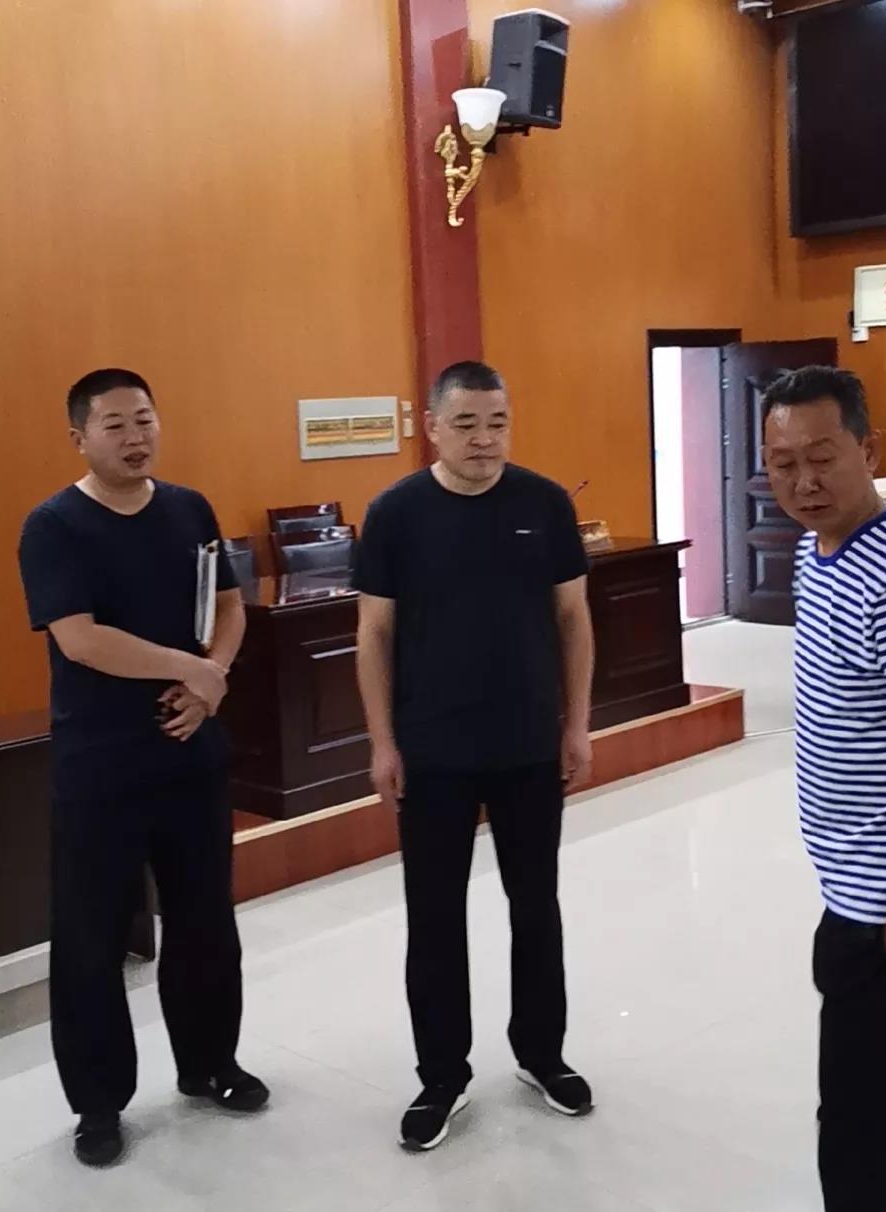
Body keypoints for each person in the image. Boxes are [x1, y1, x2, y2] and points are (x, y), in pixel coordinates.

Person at [18, 369, 268, 1168]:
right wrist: (188, 668)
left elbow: (226, 607)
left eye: (145, 419)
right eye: (115, 425)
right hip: (101, 767)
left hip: (191, 755)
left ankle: (210, 1064)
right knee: (90, 939)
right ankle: (99, 1103)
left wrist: (211, 678)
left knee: (204, 922)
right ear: (80, 438)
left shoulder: (189, 509)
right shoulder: (54, 526)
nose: (135, 437)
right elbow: (81, 638)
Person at [354, 361, 596, 1152]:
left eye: (497, 423)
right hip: (431, 753)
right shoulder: (395, 514)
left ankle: (542, 1055)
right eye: (465, 424)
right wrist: (383, 742)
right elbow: (374, 634)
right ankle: (440, 1075)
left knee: (537, 907)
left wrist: (577, 725)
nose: (484, 439)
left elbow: (573, 620)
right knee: (434, 917)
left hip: (529, 746)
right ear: (432, 427)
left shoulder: (544, 504)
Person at [763, 366, 886, 1212]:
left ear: (869, 449)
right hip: (853, 890)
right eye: (783, 464)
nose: (804, 483)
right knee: (870, 1120)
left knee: (867, 1141)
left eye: (822, 458)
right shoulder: (817, 551)